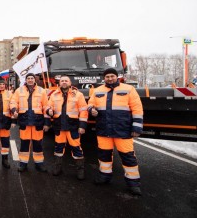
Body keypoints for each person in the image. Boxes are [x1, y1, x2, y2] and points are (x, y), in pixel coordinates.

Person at [88, 68, 143, 196]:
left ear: (117, 77)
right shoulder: (97, 91)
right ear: (104, 78)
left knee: (128, 156)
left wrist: (136, 127)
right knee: (104, 155)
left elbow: (137, 108)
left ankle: (133, 183)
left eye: (112, 76)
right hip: (103, 129)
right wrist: (91, 110)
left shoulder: (129, 89)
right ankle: (104, 176)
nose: (110, 78)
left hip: (122, 129)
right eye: (107, 77)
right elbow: (90, 104)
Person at [48, 76, 88, 180]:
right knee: (58, 148)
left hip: (73, 127)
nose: (64, 82)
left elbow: (83, 111)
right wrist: (49, 111)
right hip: (59, 127)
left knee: (76, 148)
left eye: (66, 81)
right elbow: (49, 107)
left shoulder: (78, 95)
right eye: (62, 81)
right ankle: (58, 168)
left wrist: (82, 126)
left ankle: (80, 170)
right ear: (59, 83)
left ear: (70, 83)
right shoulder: (54, 95)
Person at [10, 73, 51, 172]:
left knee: (38, 144)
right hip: (25, 121)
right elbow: (13, 102)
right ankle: (23, 164)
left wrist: (47, 123)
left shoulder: (42, 91)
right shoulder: (19, 90)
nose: (30, 80)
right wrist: (14, 110)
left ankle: (39, 163)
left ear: (35, 79)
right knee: (24, 143)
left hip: (38, 122)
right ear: (26, 80)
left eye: (32, 78)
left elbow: (46, 106)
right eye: (28, 78)